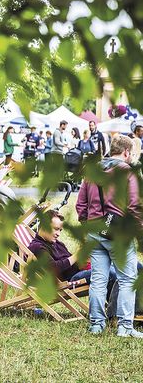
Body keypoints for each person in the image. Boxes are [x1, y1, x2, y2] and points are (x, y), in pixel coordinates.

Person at [76, 134, 143, 337]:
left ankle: (96, 324)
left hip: (95, 231)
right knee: (127, 279)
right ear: (125, 152)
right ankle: (125, 327)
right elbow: (135, 206)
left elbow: (80, 205)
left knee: (98, 279)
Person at [27, 210, 110, 284]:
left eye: (60, 230)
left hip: (78, 273)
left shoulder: (57, 243)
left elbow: (72, 263)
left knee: (112, 269)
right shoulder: (37, 247)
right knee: (109, 273)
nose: (58, 234)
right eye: (56, 229)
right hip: (69, 280)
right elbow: (54, 268)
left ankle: (113, 302)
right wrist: (77, 255)